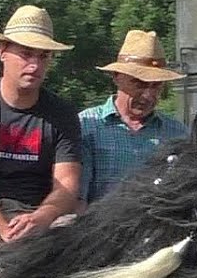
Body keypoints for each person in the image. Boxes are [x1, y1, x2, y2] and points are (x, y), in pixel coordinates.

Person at [0, 5, 82, 242]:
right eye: (26, 54)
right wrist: (2, 229)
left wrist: (41, 217)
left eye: (43, 56)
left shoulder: (63, 114)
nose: (35, 64)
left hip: (39, 211)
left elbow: (67, 186)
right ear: (2, 51)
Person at [78, 30, 188, 203]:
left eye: (156, 86)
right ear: (116, 77)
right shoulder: (87, 125)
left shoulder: (178, 134)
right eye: (140, 84)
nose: (148, 95)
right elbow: (77, 200)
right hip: (101, 227)